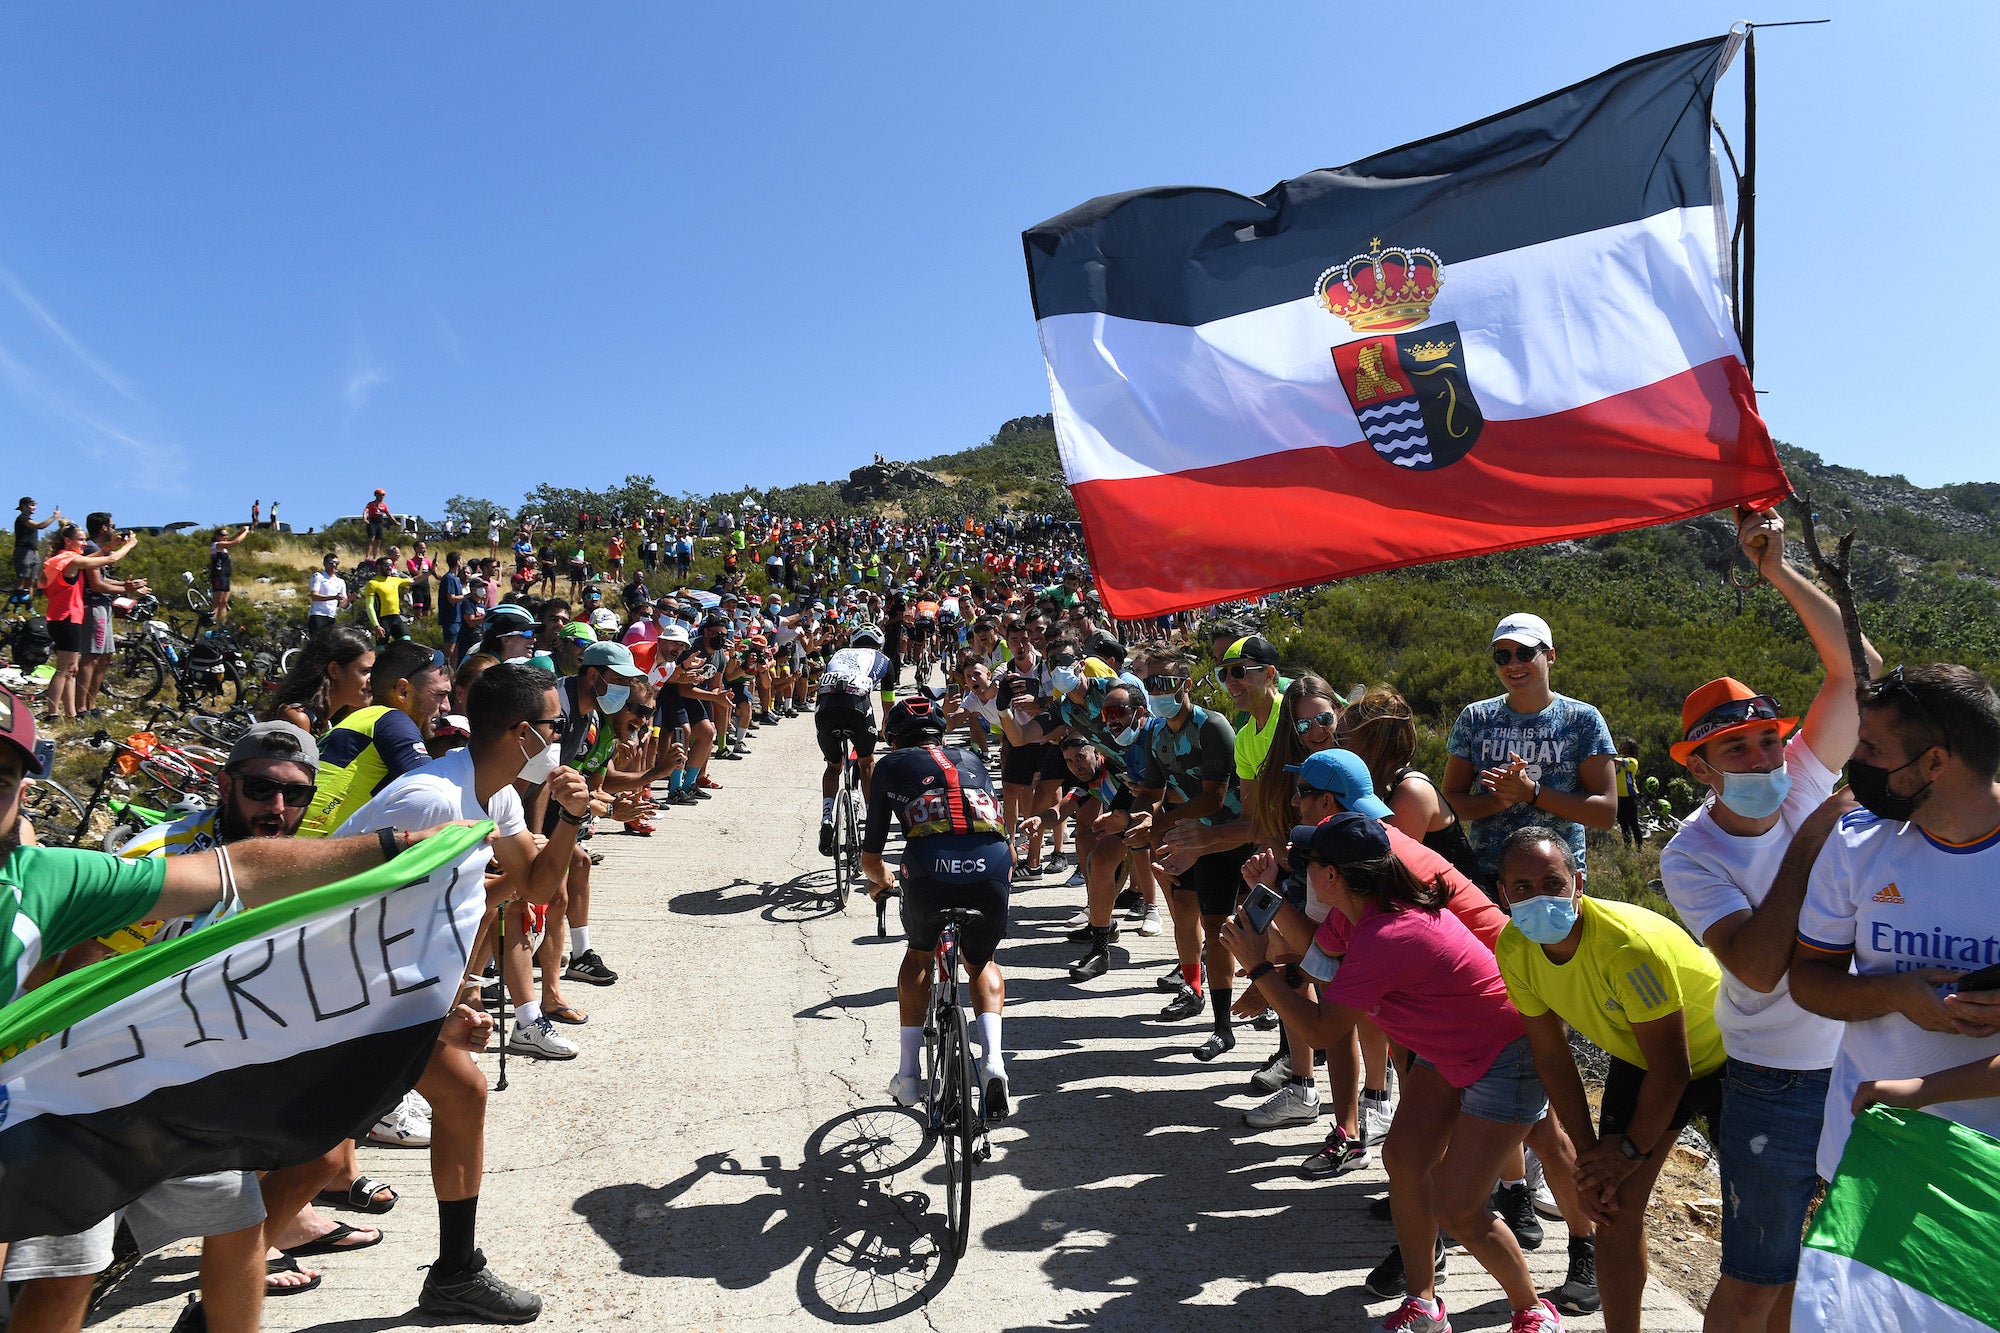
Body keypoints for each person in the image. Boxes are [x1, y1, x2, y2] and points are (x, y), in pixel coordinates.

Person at [0, 686, 465, 1333]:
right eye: (259, 788)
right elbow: (80, 970)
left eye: (295, 794)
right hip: (84, 1096)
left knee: (253, 1214)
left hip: (176, 1083)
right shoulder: (160, 855)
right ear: (225, 785)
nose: (277, 806)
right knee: (65, 1270)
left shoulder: (292, 864)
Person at [1658, 505, 1879, 1332]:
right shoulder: (1690, 855)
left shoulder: (1805, 773)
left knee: (1825, 1269)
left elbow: (1856, 670)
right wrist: (1814, 836)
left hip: (1859, 1063)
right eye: (1737, 749)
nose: (1762, 759)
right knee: (1757, 1275)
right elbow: (1754, 967)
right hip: (1776, 1080)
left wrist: (1779, 570)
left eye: (1766, 740)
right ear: (1703, 767)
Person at [1221, 814, 1566, 1333]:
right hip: (1448, 1049)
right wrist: (1267, 965)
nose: (1298, 869)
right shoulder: (1354, 915)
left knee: (1459, 1208)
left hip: (1504, 1056)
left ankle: (1533, 1310)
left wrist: (1259, 967)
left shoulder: (1388, 933)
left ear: (1333, 875)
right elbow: (1317, 969)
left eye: (1307, 862)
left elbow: (1321, 1031)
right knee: (1404, 1159)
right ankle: (1423, 1304)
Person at [335, 663, 596, 1324]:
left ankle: (455, 1270)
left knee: (464, 1093)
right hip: (351, 994)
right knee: (312, 1158)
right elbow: (335, 902)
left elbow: (534, 885)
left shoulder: (499, 794)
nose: (563, 736)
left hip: (402, 995)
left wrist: (568, 818)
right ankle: (222, 1301)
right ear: (521, 732)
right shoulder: (428, 798)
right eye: (554, 725)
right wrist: (420, 1002)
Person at [1496, 826, 1726, 1333]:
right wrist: (1590, 1160)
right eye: (1523, 889)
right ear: (1503, 893)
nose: (1539, 898)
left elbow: (1675, 1071)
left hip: (1734, 1058)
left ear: (1579, 881)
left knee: (1755, 1226)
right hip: (1645, 1056)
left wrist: (1624, 1156)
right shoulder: (1514, 948)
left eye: (1552, 883)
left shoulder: (1626, 947)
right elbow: (1552, 1058)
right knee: (1613, 1209)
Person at [1791, 664, 2000, 1187]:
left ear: (1934, 762)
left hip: (1983, 1172)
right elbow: (1810, 982)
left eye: (1871, 749)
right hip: (1864, 1153)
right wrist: (1896, 994)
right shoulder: (1857, 841)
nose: (1853, 763)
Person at [862, 695, 1014, 1117]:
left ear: (893, 738)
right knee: (982, 961)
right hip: (993, 860)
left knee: (918, 957)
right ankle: (994, 1064)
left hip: (930, 868)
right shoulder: (971, 757)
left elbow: (871, 859)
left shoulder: (889, 765)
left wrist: (883, 884)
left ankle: (909, 1075)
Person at [1130, 647, 1247, 1061]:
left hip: (1241, 835)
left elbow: (1215, 798)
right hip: (1204, 841)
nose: (1155, 691)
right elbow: (1153, 795)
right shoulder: (1157, 735)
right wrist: (1133, 821)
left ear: (1185, 684)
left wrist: (1159, 825)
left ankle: (1286, 1029)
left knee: (1266, 932)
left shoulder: (1212, 726)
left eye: (1163, 682)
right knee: (1214, 929)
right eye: (1149, 683)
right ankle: (1221, 1027)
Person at [1444, 613, 1618, 888]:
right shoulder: (1475, 718)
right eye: (1503, 656)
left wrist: (1532, 793)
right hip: (1490, 878)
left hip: (1557, 879)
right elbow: (1450, 802)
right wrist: (1498, 801)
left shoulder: (1582, 719)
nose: (1514, 664)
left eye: (1525, 653)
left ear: (1550, 656)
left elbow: (1605, 813)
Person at [297, 640, 446, 837]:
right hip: (313, 856)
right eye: (439, 695)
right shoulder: (393, 722)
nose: (446, 707)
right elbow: (435, 799)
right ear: (403, 691)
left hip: (301, 850)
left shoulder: (365, 719)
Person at [41, 522, 136, 721]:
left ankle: (71, 713)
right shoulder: (71, 561)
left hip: (66, 616)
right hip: (66, 617)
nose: (85, 543)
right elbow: (110, 560)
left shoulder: (63, 559)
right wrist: (128, 545)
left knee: (71, 668)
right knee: (64, 669)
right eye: (81, 540)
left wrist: (108, 546)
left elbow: (94, 558)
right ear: (68, 541)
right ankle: (52, 713)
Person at [815, 626, 891, 856]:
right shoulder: (883, 659)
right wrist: (885, 727)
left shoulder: (839, 654)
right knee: (866, 762)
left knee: (833, 766)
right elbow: (888, 700)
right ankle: (870, 819)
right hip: (857, 708)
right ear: (879, 644)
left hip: (826, 710)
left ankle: (827, 817)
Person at [78, 511, 149, 719]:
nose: (114, 528)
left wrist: (127, 586)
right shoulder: (91, 548)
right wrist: (128, 545)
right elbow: (97, 585)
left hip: (103, 606)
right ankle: (81, 708)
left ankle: (91, 705)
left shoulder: (97, 548)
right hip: (94, 607)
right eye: (112, 525)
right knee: (91, 657)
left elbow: (104, 580)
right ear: (103, 528)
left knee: (105, 655)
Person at [265, 626, 374, 733]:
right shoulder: (298, 718)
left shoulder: (330, 719)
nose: (372, 679)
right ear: (334, 670)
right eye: (365, 671)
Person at [13, 496, 60, 602]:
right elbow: (39, 526)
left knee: (31, 580)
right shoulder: (22, 518)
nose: (34, 507)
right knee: (22, 578)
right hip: (23, 551)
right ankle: (17, 603)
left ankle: (28, 604)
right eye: (32, 505)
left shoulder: (29, 519)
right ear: (24, 506)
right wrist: (54, 517)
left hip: (34, 552)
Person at [208, 525, 250, 624]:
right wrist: (245, 532)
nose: (225, 537)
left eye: (226, 535)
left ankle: (222, 624)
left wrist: (239, 532)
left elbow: (231, 539)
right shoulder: (216, 544)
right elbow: (234, 542)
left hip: (225, 576)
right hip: (218, 575)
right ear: (217, 536)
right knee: (217, 602)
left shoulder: (223, 545)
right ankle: (211, 623)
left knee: (224, 602)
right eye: (223, 535)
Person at [307, 551, 349, 641]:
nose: (334, 565)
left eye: (336, 563)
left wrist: (347, 601)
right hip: (318, 615)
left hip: (331, 616)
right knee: (317, 643)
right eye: (331, 563)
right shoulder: (318, 576)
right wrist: (334, 597)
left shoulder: (340, 582)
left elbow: (343, 604)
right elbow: (314, 596)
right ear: (324, 564)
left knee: (329, 644)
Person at [364, 487, 390, 561]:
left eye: (383, 495)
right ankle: (367, 556)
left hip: (380, 523)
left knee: (378, 541)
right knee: (371, 539)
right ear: (376, 495)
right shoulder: (371, 504)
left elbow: (388, 514)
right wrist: (365, 518)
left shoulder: (384, 505)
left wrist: (395, 521)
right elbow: (366, 511)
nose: (382, 497)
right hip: (372, 522)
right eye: (380, 495)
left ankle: (375, 557)